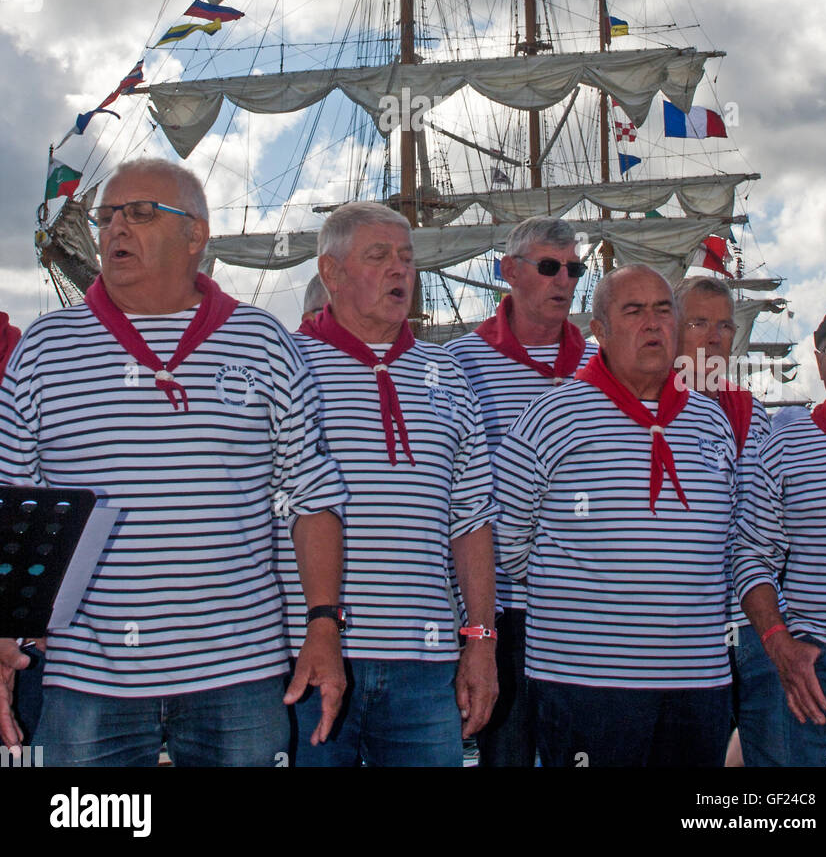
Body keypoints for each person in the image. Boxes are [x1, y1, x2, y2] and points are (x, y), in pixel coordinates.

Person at [0, 159, 347, 767]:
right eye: (107, 216)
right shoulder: (44, 349)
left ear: (196, 236)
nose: (114, 229)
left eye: (139, 213)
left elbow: (313, 497)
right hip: (87, 678)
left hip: (239, 673)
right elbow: (11, 501)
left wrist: (323, 624)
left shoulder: (263, 343)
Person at [494, 263, 737, 767]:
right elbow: (506, 539)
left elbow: (730, 539)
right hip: (586, 681)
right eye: (634, 311)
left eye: (663, 310)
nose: (653, 324)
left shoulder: (711, 420)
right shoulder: (551, 416)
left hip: (699, 681)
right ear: (599, 331)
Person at [283, 201, 498, 767]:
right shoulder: (285, 367)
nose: (401, 270)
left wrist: (481, 643)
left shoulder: (449, 373)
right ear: (330, 273)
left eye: (407, 258)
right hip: (302, 656)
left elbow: (471, 521)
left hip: (424, 663)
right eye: (379, 256)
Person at [447, 216, 587, 767]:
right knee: (504, 756)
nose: (565, 281)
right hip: (501, 607)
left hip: (583, 605)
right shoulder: (459, 363)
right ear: (509, 271)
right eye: (549, 267)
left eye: (574, 269)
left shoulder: (601, 365)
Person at [733, 292, 826, 767]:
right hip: (819, 669)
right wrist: (777, 644)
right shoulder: (787, 441)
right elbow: (750, 555)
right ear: (819, 361)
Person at [675, 275, 786, 767]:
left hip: (750, 620)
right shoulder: (648, 415)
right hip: (684, 626)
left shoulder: (753, 414)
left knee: (770, 753)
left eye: (724, 325)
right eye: (698, 322)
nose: (714, 337)